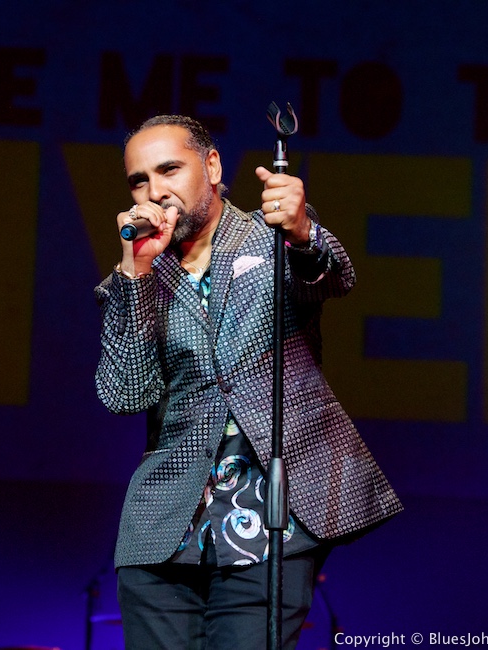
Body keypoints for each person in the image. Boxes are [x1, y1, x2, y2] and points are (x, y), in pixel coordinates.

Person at [94, 114, 402, 649]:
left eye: (169, 169)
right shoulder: (136, 279)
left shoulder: (273, 235)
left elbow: (334, 277)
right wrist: (136, 273)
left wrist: (302, 232)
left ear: (212, 167)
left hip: (269, 522)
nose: (155, 191)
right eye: (139, 180)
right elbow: (124, 393)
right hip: (165, 528)